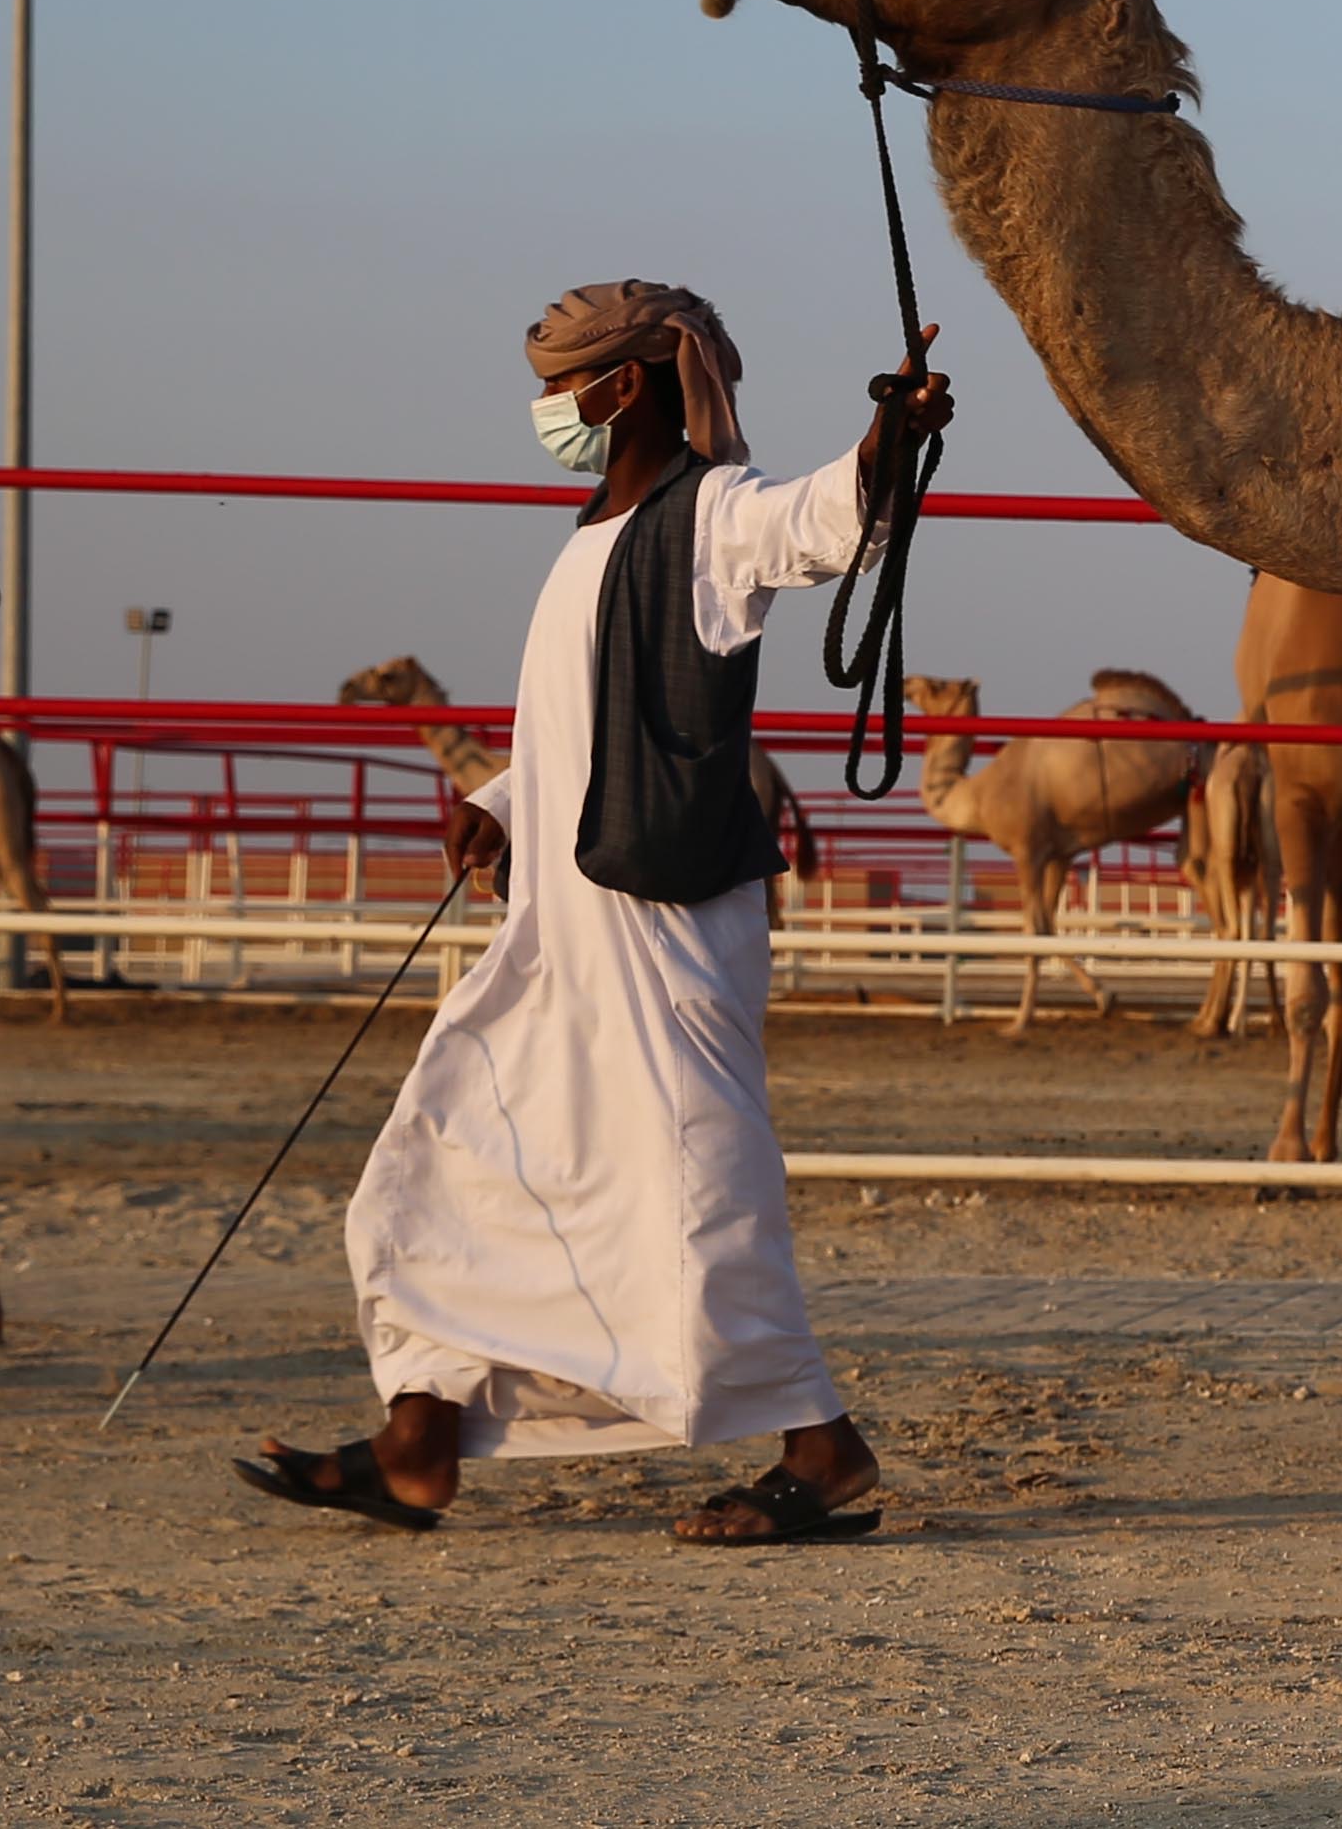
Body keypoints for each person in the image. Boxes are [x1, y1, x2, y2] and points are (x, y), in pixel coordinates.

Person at [241, 283, 949, 1541]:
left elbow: (823, 522)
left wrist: (893, 438)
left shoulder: (714, 514)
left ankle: (824, 1449)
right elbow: (577, 726)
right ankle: (419, 1441)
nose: (550, 408)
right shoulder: (591, 535)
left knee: (692, 1188)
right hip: (560, 925)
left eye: (563, 381)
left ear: (622, 387)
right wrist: (503, 799)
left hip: (661, 928)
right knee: (456, 1151)